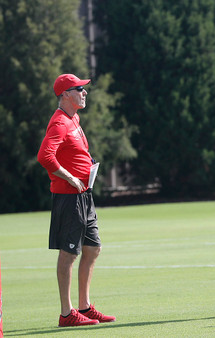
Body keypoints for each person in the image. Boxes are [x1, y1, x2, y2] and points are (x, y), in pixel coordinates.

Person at [38, 74, 116, 326]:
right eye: (79, 89)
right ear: (65, 94)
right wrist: (70, 176)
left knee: (93, 248)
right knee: (69, 253)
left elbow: (72, 151)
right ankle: (66, 313)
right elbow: (45, 156)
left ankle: (84, 306)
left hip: (84, 195)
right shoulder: (59, 122)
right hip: (68, 197)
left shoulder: (74, 118)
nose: (84, 92)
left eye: (84, 88)